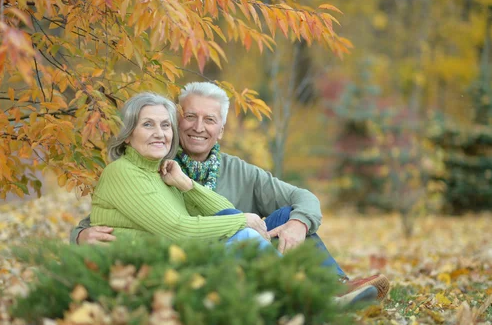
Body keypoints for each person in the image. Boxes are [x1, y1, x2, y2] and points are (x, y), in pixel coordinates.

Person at [73, 83, 389, 301]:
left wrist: (298, 224)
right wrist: (79, 236)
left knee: (283, 217)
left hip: (221, 252)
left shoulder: (225, 171)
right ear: (178, 122)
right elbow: (111, 217)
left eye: (209, 120)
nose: (198, 127)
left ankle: (336, 287)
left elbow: (304, 198)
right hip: (198, 256)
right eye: (190, 118)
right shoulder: (151, 165)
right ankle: (309, 296)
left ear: (221, 130)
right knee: (244, 230)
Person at [90, 92, 275, 251]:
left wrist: (187, 185)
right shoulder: (122, 172)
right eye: (148, 124)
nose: (159, 133)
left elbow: (226, 211)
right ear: (128, 135)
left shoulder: (163, 172)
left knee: (284, 216)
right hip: (142, 271)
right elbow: (178, 229)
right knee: (246, 236)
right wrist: (243, 221)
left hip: (177, 260)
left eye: (165, 125)